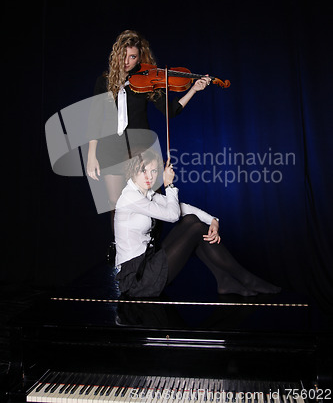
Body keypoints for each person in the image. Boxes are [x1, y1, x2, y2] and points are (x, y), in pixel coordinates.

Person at [86, 30, 210, 232]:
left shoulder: (146, 81)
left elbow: (171, 111)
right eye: (123, 55)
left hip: (140, 149)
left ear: (139, 58)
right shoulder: (104, 82)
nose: (127, 61)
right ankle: (123, 254)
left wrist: (193, 90)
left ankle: (152, 249)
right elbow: (95, 120)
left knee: (153, 199)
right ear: (116, 54)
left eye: (132, 56)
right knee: (116, 203)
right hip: (110, 149)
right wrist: (92, 155)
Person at [114, 149, 281, 298]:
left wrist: (213, 220)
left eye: (154, 171)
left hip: (147, 262)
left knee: (191, 221)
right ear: (133, 170)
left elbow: (182, 208)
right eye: (144, 170)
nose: (149, 176)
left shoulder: (146, 193)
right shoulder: (130, 197)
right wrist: (169, 185)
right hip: (137, 278)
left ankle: (224, 280)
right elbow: (172, 215)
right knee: (195, 228)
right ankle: (246, 279)